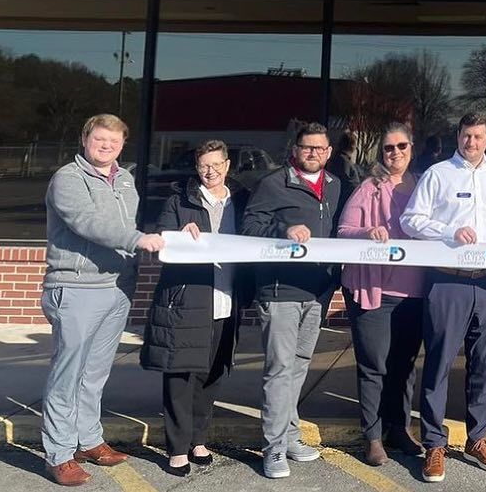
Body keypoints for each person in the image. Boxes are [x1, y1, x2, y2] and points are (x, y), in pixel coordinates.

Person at [40, 114, 165, 487]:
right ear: (85, 139)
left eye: (113, 140)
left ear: (122, 145)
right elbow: (87, 222)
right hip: (77, 287)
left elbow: (128, 224)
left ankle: (88, 439)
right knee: (68, 373)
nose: (106, 145)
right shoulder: (68, 179)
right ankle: (59, 454)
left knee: (95, 373)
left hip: (118, 286)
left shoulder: (125, 179)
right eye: (99, 139)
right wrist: (138, 240)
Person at [401, 113, 486, 483]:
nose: (472, 143)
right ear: (459, 136)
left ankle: (477, 439)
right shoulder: (438, 174)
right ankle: (434, 443)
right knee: (439, 363)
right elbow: (410, 220)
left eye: (479, 137)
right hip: (448, 283)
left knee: (483, 365)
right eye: (467, 136)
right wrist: (449, 231)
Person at [140, 139, 250, 476]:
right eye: (204, 165)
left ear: (228, 165)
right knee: (181, 375)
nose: (210, 171)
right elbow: (160, 237)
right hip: (186, 300)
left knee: (212, 374)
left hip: (227, 300)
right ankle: (176, 447)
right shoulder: (179, 200)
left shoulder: (242, 200)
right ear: (196, 167)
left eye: (217, 164)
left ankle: (198, 439)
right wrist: (176, 232)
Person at [241, 122, 344, 480]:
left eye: (320, 148)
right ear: (295, 150)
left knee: (299, 366)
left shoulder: (334, 186)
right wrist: (282, 232)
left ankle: (289, 434)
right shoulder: (272, 183)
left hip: (316, 291)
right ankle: (273, 449)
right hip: (280, 289)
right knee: (279, 369)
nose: (313, 153)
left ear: (329, 152)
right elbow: (250, 228)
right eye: (307, 147)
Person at [336, 123, 425, 467]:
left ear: (411, 148)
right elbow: (343, 231)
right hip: (374, 292)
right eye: (389, 148)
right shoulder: (368, 188)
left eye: (402, 146)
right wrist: (366, 232)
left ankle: (398, 429)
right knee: (374, 366)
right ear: (381, 153)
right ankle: (373, 437)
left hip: (415, 294)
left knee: (404, 367)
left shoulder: (423, 187)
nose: (396, 153)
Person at [327, 130, 364, 200]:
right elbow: (349, 184)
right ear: (352, 145)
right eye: (355, 144)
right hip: (344, 200)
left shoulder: (337, 159)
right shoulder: (344, 162)